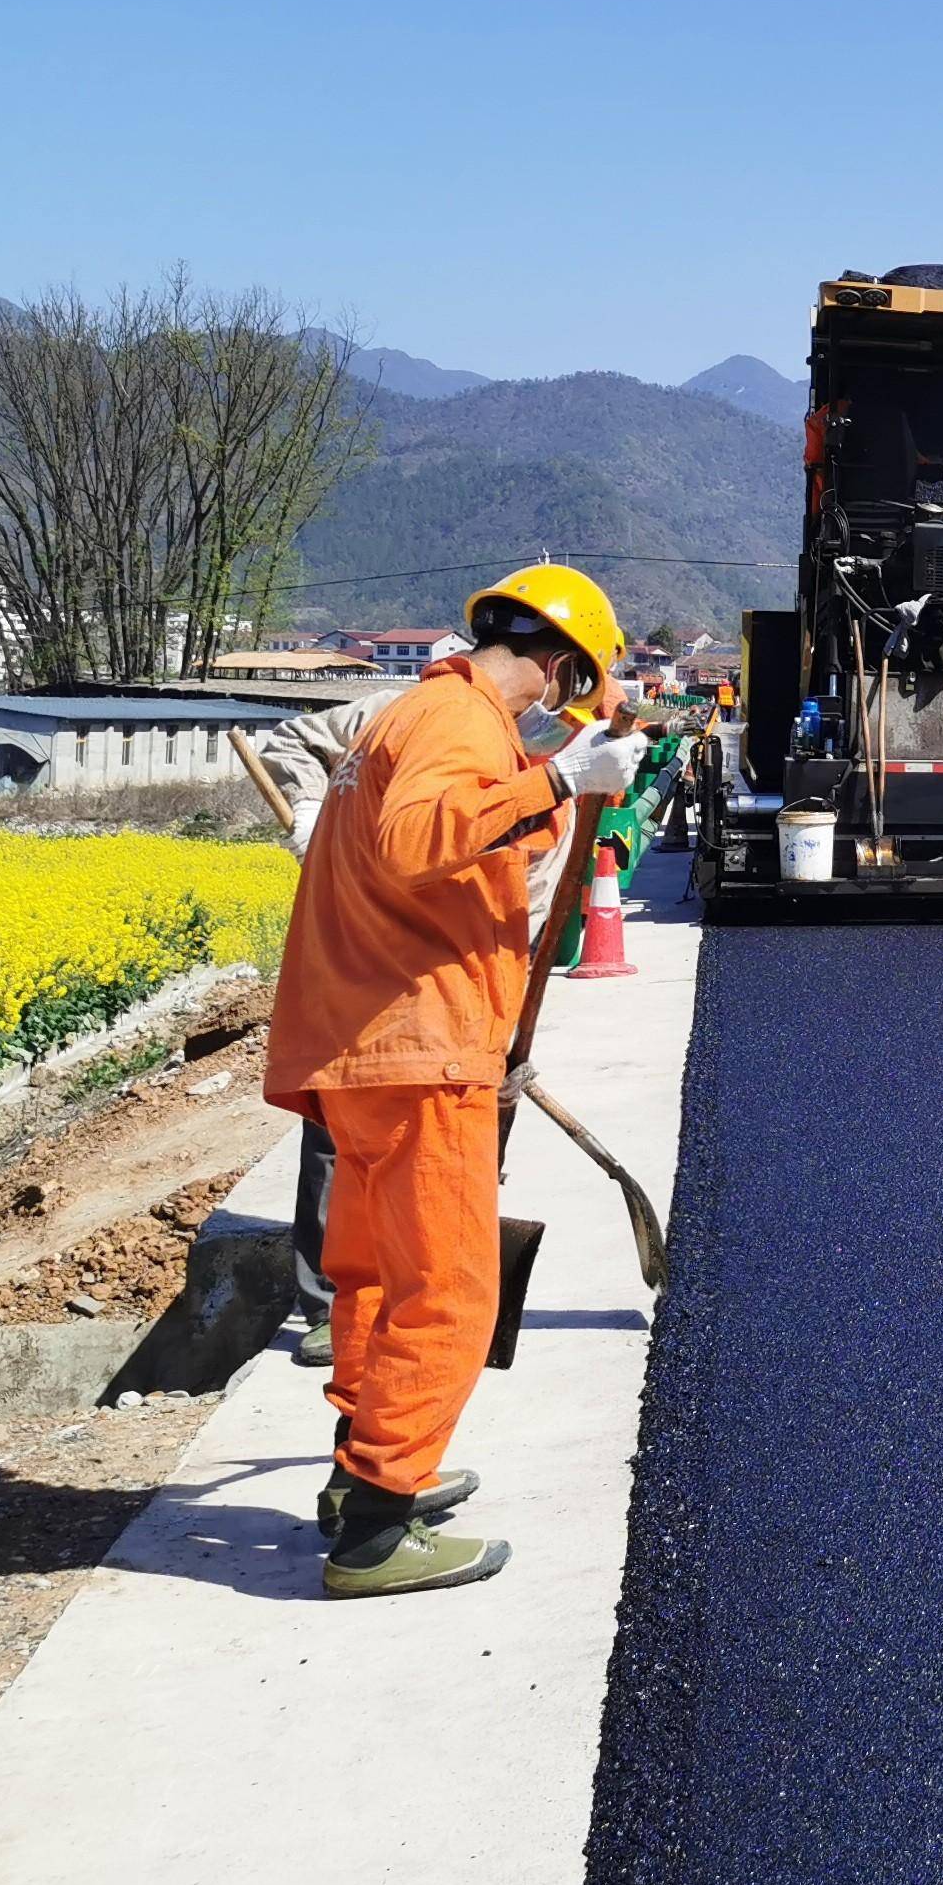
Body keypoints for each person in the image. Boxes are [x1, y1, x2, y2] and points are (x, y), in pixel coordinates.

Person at [260, 564, 645, 1598]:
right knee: (451, 1288)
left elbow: (461, 847)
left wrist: (563, 781)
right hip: (415, 1044)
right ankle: (377, 1531)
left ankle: (364, 1474)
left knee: (376, 1276)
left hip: (370, 1040)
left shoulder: (412, 715)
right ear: (559, 664)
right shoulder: (462, 724)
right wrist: (564, 779)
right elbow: (419, 839)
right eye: (570, 687)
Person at [250, 683, 582, 1370]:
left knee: (425, 1173)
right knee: (340, 1138)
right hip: (357, 957)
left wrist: (499, 1034)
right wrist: (313, 818)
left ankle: (386, 1333)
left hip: (440, 988)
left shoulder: (553, 782)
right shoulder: (403, 713)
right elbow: (295, 742)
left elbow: (527, 917)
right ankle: (328, 1307)